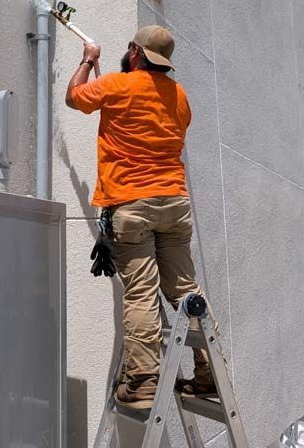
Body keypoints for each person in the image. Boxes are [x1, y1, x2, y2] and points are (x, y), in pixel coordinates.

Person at [66, 25, 216, 410]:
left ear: (136, 52)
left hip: (132, 204)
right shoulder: (179, 96)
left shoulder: (117, 84)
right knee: (185, 291)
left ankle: (143, 382)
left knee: (141, 294)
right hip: (174, 202)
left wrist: (88, 59)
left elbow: (74, 99)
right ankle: (208, 373)